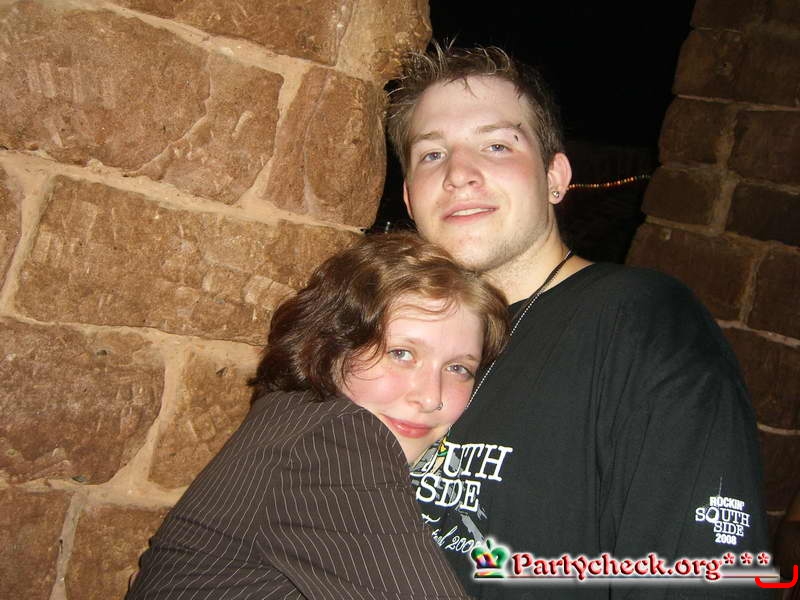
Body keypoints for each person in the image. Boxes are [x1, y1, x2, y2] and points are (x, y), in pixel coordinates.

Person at [387, 43, 771, 598]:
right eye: (431, 154)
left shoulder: (641, 321)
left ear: (555, 177)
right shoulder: (388, 336)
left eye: (496, 145)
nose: (458, 174)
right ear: (408, 196)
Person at [127, 232, 509, 599]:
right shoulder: (334, 438)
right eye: (401, 354)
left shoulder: (289, 414)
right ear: (333, 348)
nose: (430, 397)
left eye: (458, 368)